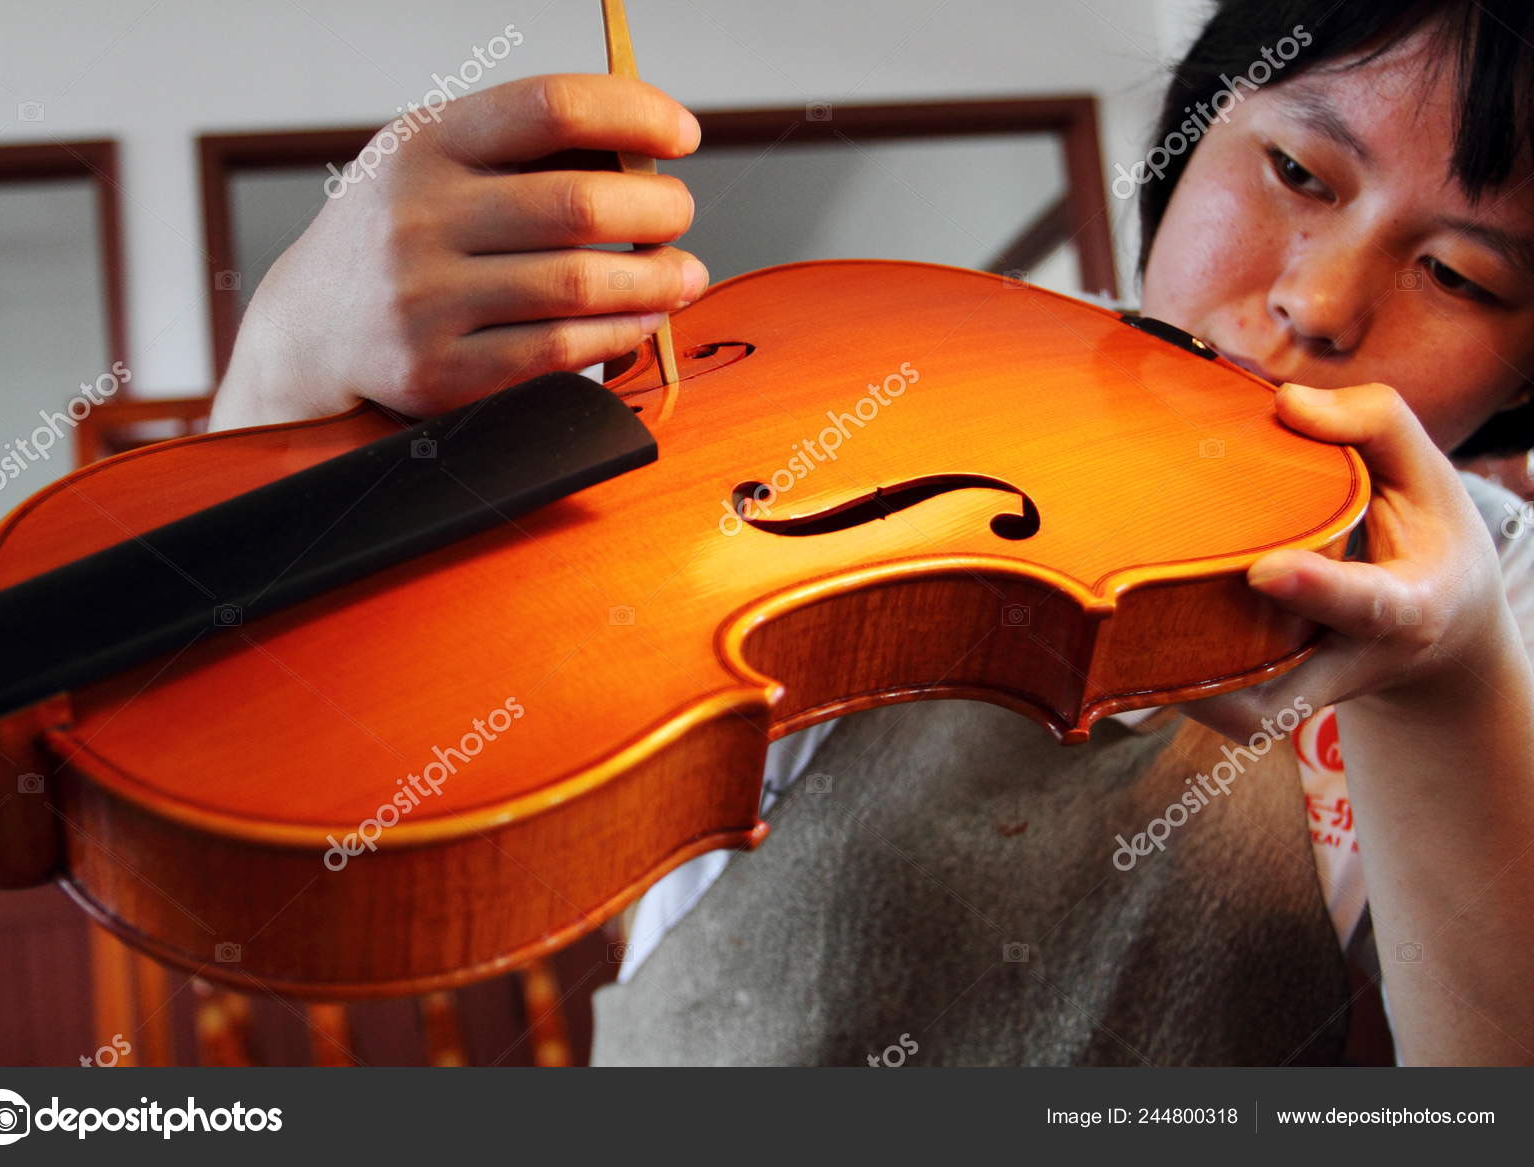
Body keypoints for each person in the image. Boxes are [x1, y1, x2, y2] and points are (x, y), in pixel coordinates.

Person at [208, 0, 1534, 1065]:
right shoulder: (905, 400)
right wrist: (286, 381)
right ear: (1192, 137)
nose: (1318, 303)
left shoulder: (1510, 597)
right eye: (1296, 171)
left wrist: (1454, 684)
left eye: (1460, 274)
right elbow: (343, 747)